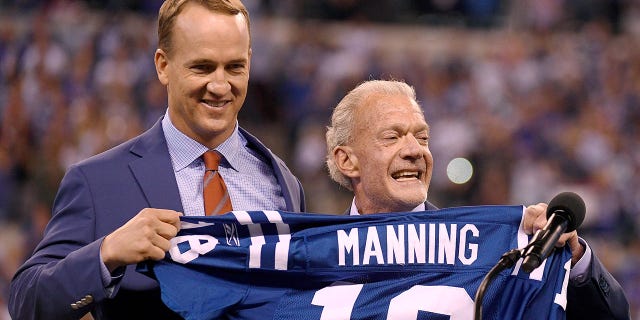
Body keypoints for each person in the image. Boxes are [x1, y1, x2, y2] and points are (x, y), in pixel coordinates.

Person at [9, 1, 305, 319]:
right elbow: (27, 300)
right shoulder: (99, 182)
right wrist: (105, 254)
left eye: (234, 67)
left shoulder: (281, 181)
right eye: (202, 67)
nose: (220, 86)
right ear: (163, 66)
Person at [325, 79, 630, 319]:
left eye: (422, 137)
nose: (414, 150)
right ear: (347, 161)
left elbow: (611, 315)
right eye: (392, 137)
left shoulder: (491, 248)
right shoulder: (308, 261)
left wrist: (573, 259)